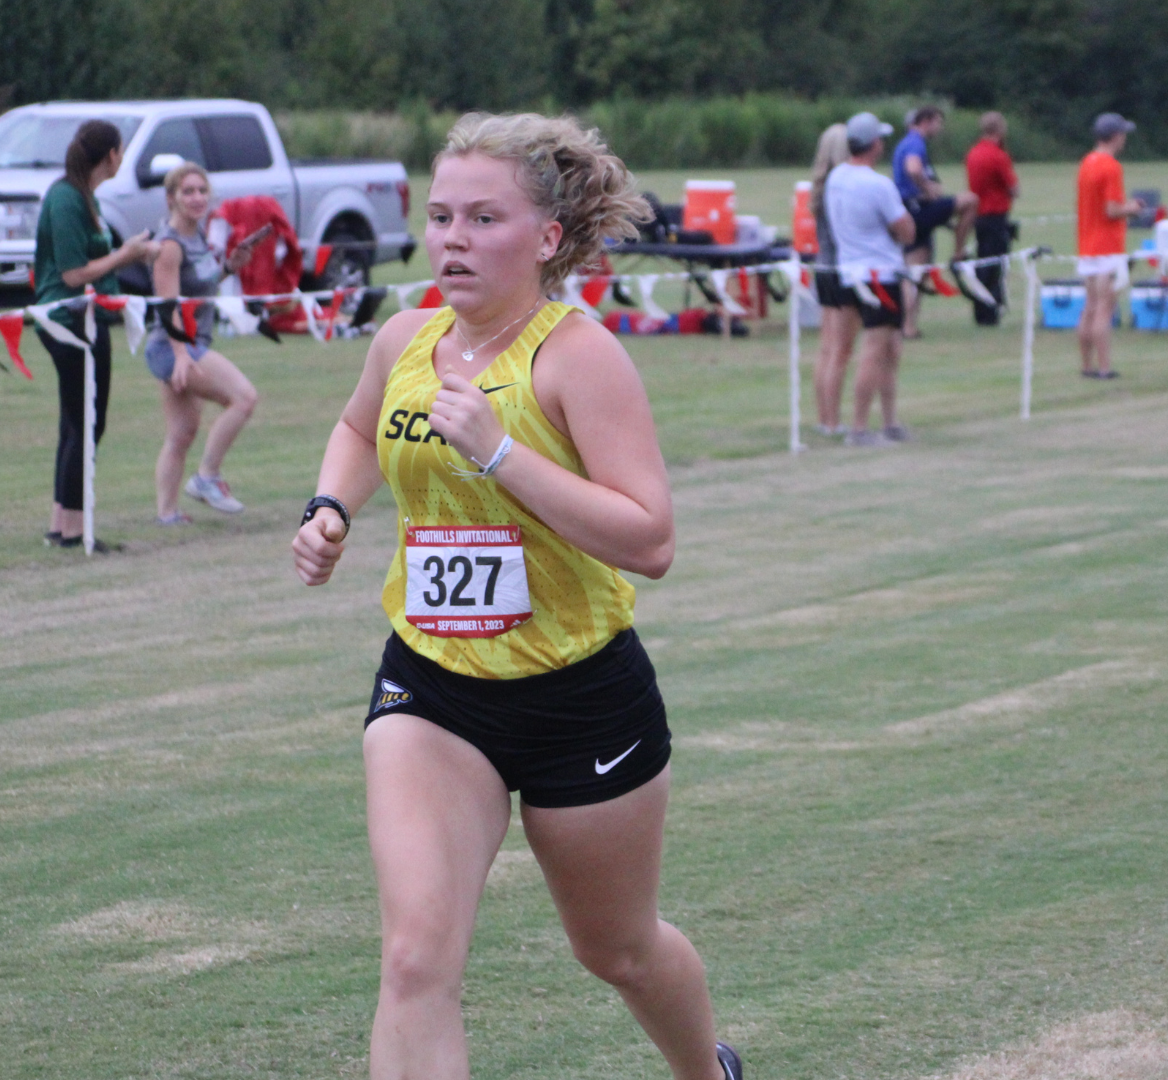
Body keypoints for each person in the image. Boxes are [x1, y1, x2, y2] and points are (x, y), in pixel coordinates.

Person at [287, 111, 739, 1080]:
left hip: (580, 694)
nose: (452, 239)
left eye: (482, 218)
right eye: (441, 216)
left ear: (546, 238)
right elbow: (360, 430)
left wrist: (499, 453)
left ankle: (710, 1072)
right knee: (415, 960)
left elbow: (650, 539)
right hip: (434, 687)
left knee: (614, 949)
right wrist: (332, 507)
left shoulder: (577, 357)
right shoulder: (405, 339)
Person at [32, 119, 154, 550]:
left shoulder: (84, 196)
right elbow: (71, 272)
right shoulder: (66, 198)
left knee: (77, 422)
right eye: (121, 151)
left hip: (88, 317)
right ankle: (73, 530)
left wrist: (128, 252)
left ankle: (61, 523)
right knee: (86, 423)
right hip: (70, 321)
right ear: (112, 156)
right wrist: (127, 255)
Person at [146, 161, 267, 524]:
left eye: (202, 190)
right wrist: (182, 354)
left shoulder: (196, 237)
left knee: (181, 433)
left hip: (185, 343)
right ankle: (207, 478)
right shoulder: (169, 245)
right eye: (188, 191)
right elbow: (168, 305)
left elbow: (199, 287)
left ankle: (167, 515)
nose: (197, 198)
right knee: (244, 397)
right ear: (171, 199)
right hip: (174, 345)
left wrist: (230, 267)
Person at [827, 112, 915, 445]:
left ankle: (889, 422)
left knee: (888, 349)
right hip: (879, 276)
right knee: (875, 350)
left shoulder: (838, 176)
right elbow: (906, 231)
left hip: (848, 273)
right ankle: (860, 428)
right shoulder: (879, 184)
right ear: (874, 144)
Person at [892, 105, 978, 338]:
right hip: (916, 208)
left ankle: (907, 326)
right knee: (970, 201)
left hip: (908, 212)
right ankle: (959, 253)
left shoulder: (906, 142)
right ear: (926, 121)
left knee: (916, 269)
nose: (940, 128)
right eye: (938, 123)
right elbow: (913, 168)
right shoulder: (915, 142)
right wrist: (928, 189)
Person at [1076, 112, 1142, 379]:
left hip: (1087, 245)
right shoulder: (1111, 166)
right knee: (1105, 308)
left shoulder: (1087, 162)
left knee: (1090, 307)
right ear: (1115, 136)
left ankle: (1086, 365)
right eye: (1123, 133)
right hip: (1108, 247)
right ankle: (1104, 368)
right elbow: (1112, 209)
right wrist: (1133, 208)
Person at [808, 123, 859, 437]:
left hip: (823, 268)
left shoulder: (819, 187)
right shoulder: (843, 188)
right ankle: (831, 421)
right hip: (842, 271)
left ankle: (825, 416)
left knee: (827, 349)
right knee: (840, 351)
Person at [965, 111, 1020, 326]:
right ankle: (991, 311)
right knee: (995, 265)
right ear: (1000, 130)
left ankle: (981, 310)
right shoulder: (998, 156)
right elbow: (1013, 188)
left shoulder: (973, 153)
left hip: (978, 215)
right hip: (996, 216)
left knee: (982, 263)